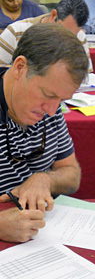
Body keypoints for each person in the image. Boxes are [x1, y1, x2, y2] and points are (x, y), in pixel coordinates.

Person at [0, 23, 88, 242]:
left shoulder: (52, 107)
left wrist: (44, 179)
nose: (52, 110)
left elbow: (72, 174)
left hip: (39, 237)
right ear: (20, 68)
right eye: (47, 94)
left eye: (61, 100)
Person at [0, 0, 93, 72]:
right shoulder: (16, 31)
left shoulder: (79, 36)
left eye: (72, 35)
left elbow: (85, 74)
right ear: (53, 15)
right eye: (63, 31)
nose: (66, 38)